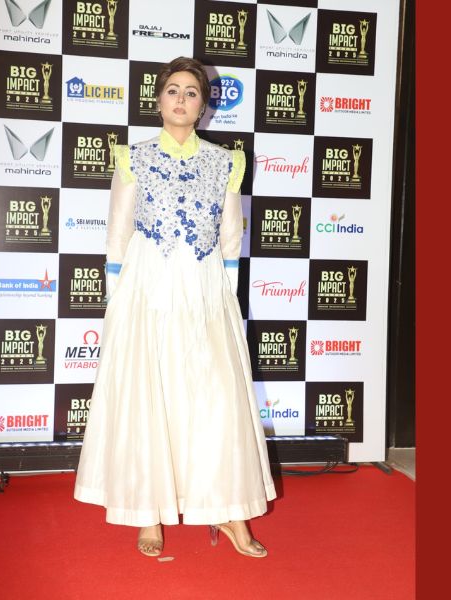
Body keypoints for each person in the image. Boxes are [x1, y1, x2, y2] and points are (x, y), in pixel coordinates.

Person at [74, 56, 276, 558]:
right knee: (150, 395)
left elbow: (231, 236)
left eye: (191, 92)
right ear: (159, 100)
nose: (181, 99)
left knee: (218, 400)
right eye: (173, 90)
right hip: (148, 287)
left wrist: (226, 297)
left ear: (204, 105)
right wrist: (116, 299)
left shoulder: (226, 161)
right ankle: (149, 512)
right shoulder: (134, 157)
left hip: (206, 287)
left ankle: (230, 512)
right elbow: (117, 234)